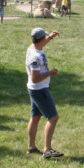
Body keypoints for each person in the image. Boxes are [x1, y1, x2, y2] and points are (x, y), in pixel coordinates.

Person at [26, 27, 63, 158]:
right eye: (45, 37)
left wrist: (51, 37)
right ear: (41, 39)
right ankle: (47, 149)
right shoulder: (36, 57)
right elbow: (35, 78)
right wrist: (50, 73)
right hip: (39, 89)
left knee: (35, 117)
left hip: (34, 89)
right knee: (53, 117)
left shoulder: (32, 47)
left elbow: (41, 43)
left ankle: (31, 146)